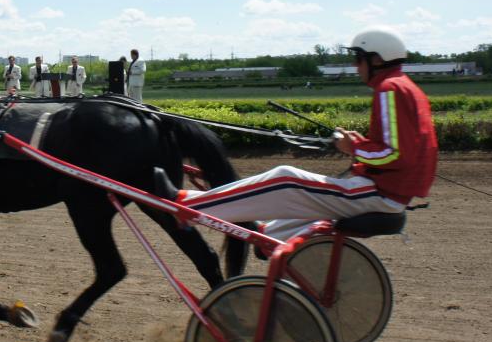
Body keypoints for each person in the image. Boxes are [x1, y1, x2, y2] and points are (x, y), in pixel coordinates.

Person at [167, 26, 438, 242]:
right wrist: (360, 143)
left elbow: (395, 153)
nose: (357, 66)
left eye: (358, 59)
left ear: (377, 59)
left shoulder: (389, 89)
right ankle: (268, 235)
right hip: (386, 192)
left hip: (378, 193)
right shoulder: (406, 88)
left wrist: (352, 148)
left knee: (286, 179)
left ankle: (187, 208)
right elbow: (400, 149)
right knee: (298, 195)